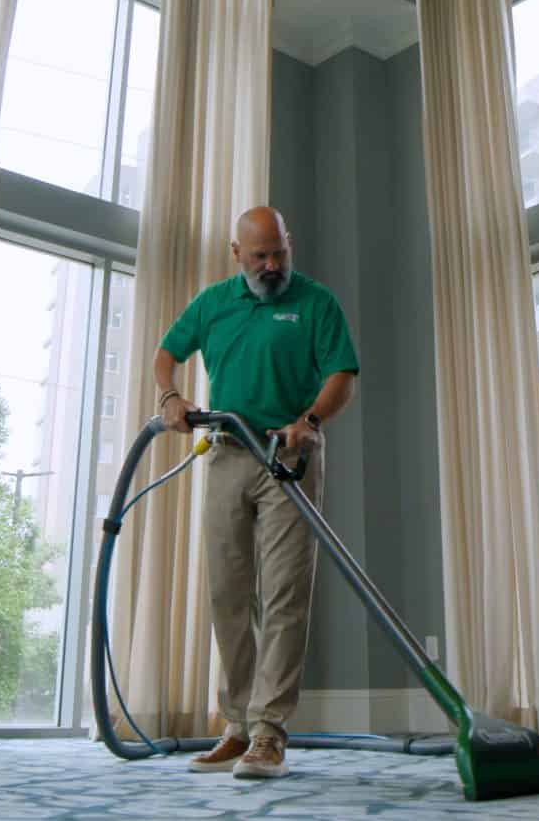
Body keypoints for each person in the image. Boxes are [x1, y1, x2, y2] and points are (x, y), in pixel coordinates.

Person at [151, 206, 358, 781]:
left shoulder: (317, 302)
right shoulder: (213, 303)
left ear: (289, 245)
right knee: (228, 593)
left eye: (279, 252)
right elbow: (167, 354)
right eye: (260, 255)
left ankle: (269, 732)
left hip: (287, 456)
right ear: (236, 253)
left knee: (285, 593)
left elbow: (342, 373)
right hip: (226, 452)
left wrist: (310, 420)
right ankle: (238, 725)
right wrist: (170, 396)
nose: (271, 265)